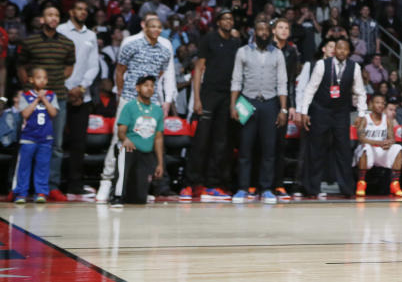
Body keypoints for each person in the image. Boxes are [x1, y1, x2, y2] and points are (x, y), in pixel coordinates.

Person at [96, 15, 172, 203]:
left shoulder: (164, 50)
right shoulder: (131, 44)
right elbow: (120, 70)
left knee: (146, 142)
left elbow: (159, 73)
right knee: (119, 139)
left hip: (151, 101)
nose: (155, 29)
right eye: (152, 26)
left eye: (159, 27)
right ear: (144, 27)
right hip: (129, 98)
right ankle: (106, 183)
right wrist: (122, 92)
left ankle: (138, 186)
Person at [181, 11, 241, 202]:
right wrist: (197, 98)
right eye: (224, 19)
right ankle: (190, 184)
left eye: (231, 19)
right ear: (218, 22)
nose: (228, 21)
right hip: (208, 95)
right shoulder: (209, 39)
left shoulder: (236, 43)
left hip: (227, 96)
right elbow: (199, 69)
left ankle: (212, 185)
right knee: (201, 141)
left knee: (221, 143)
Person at [18, 2, 74, 201]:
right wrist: (28, 88)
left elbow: (69, 67)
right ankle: (21, 189)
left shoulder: (67, 43)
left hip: (56, 96)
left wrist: (55, 82)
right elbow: (21, 65)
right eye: (50, 15)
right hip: (31, 99)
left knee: (56, 145)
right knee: (26, 144)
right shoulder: (29, 42)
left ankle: (51, 187)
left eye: (57, 15)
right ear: (42, 19)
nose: (53, 18)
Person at [298, 37, 367, 198]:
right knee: (316, 149)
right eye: (339, 48)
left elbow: (361, 92)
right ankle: (311, 188)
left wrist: (362, 113)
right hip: (321, 110)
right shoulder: (322, 64)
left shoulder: (354, 67)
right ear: (334, 50)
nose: (342, 51)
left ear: (349, 52)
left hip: (341, 112)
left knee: (343, 150)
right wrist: (304, 111)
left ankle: (347, 189)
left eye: (345, 49)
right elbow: (310, 89)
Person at [229, 17, 288, 204]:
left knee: (269, 149)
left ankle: (267, 189)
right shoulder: (243, 52)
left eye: (266, 30)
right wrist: (233, 105)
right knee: (245, 148)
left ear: (270, 33)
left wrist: (283, 109)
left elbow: (282, 83)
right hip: (248, 101)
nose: (263, 33)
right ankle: (243, 188)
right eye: (260, 29)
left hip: (270, 103)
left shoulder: (277, 54)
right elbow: (236, 80)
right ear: (254, 32)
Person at [56, 0, 99, 196]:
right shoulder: (61, 31)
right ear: (71, 11)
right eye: (79, 9)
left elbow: (93, 66)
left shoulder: (90, 35)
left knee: (79, 143)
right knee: (56, 141)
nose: (82, 12)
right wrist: (68, 88)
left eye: (85, 10)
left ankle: (75, 183)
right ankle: (52, 183)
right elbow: (56, 63)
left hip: (83, 96)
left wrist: (81, 88)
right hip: (60, 92)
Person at [111, 75, 164, 207]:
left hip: (146, 153)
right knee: (124, 151)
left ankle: (133, 194)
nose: (149, 88)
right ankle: (117, 196)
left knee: (139, 200)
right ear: (138, 88)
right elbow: (121, 131)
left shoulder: (157, 110)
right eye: (146, 85)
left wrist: (160, 163)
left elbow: (158, 138)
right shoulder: (130, 106)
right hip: (131, 149)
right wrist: (126, 139)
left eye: (152, 86)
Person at [12, 67, 59, 204]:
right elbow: (25, 114)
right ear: (32, 80)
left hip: (45, 137)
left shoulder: (51, 95)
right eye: (39, 78)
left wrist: (44, 99)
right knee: (24, 166)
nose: (42, 80)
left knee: (43, 166)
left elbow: (53, 113)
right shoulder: (26, 96)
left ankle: (41, 193)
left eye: (44, 78)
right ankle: (21, 193)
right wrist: (36, 100)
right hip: (28, 138)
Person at [352, 93, 402, 197]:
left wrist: (389, 143)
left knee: (398, 148)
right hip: (366, 150)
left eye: (382, 103)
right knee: (365, 147)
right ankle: (361, 183)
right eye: (377, 103)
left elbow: (392, 138)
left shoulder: (387, 120)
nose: (380, 105)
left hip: (381, 150)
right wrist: (379, 143)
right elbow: (361, 138)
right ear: (371, 105)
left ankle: (395, 184)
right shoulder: (364, 119)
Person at [271, 17, 300, 200]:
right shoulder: (266, 48)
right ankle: (256, 184)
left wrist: (291, 105)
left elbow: (290, 81)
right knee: (261, 144)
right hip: (264, 98)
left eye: (286, 28)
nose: (283, 30)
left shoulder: (291, 51)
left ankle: (278, 185)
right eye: (280, 27)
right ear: (273, 30)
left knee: (279, 145)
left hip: (281, 101)